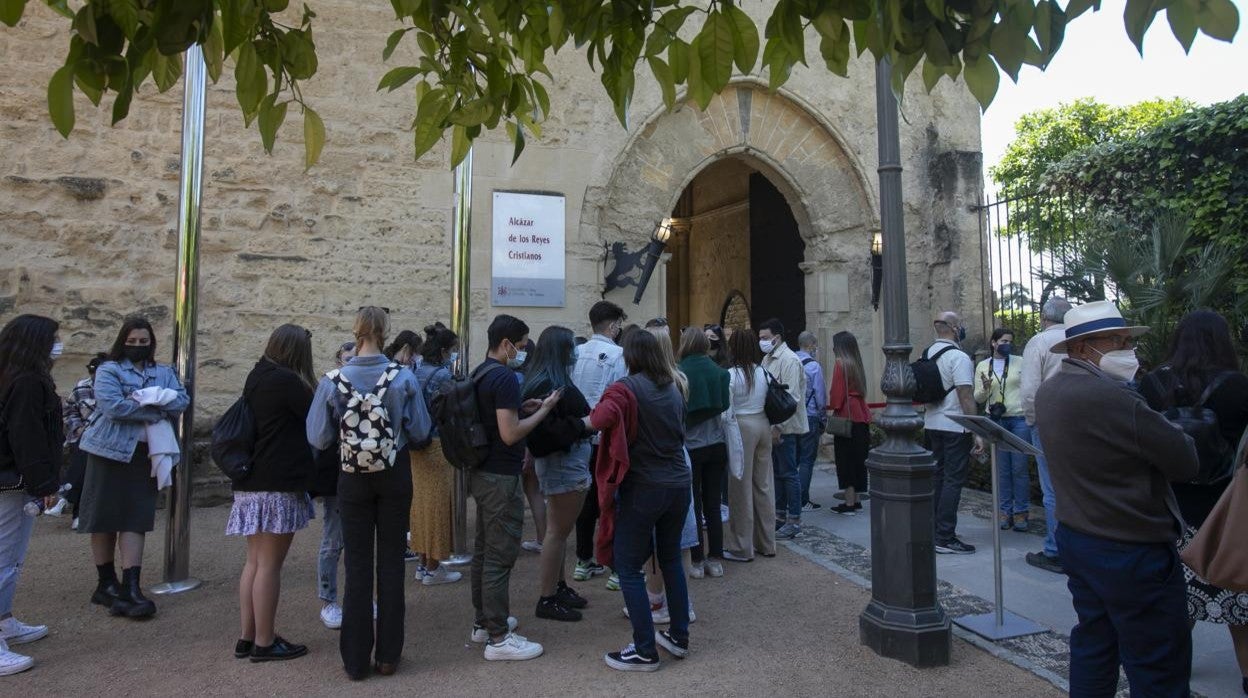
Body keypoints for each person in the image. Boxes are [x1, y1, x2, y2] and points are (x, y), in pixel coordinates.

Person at [1035, 300, 1199, 696]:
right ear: (1079, 348)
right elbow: (1185, 460)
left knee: (1095, 645)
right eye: (1115, 341)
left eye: (1127, 341)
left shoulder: (1050, 391)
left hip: (1079, 535)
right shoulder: (1114, 398)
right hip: (1131, 545)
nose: (1128, 351)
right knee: (1157, 664)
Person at [307, 306, 431, 680]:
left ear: (356, 331)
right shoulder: (403, 377)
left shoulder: (332, 380)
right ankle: (389, 655)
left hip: (352, 476)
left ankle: (356, 660)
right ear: (385, 331)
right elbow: (421, 429)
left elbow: (318, 436)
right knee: (392, 563)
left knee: (357, 565)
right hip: (394, 473)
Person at [1139, 310, 1248, 692]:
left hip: (1170, 509)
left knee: (1176, 601)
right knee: (1237, 598)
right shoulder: (1237, 386)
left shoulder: (1152, 384)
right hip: (1226, 511)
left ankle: (1174, 676)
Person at [588, 329, 691, 671]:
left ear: (631, 356)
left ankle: (645, 649)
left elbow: (597, 420)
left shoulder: (625, 389)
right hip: (678, 482)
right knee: (671, 558)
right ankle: (678, 636)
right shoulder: (674, 386)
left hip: (645, 486)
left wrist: (562, 415)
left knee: (628, 565)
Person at [77, 315, 189, 619]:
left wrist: (141, 403)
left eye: (143, 342)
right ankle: (105, 583)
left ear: (151, 343)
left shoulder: (163, 371)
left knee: (135, 519)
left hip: (144, 454)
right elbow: (112, 407)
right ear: (122, 342)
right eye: (132, 342)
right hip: (108, 451)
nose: (138, 346)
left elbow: (181, 401)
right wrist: (155, 408)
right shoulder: (108, 370)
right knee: (103, 518)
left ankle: (131, 586)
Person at [468, 314, 561, 661]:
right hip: (500, 475)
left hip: (482, 471)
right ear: (506, 344)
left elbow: (496, 419)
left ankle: (483, 622)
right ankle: (498, 637)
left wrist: (522, 407)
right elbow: (510, 433)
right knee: (499, 555)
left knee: (483, 550)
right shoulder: (505, 377)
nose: (523, 352)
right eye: (521, 346)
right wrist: (544, 410)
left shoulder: (481, 372)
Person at [228, 324, 318, 662]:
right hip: (277, 484)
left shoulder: (257, 375)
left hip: (252, 482)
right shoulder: (287, 381)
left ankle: (247, 636)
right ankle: (265, 642)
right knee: (269, 566)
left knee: (254, 562)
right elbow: (317, 417)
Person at [0, 315, 63, 676]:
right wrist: (44, 486)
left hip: (14, 478)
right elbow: (27, 436)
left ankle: (4, 619)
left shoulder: (17, 377)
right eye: (53, 339)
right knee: (4, 558)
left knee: (12, 556)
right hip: (13, 481)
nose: (58, 344)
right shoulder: (25, 382)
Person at [522, 326, 593, 622]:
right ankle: (547, 597)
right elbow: (545, 434)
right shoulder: (547, 382)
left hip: (566, 461)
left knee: (560, 533)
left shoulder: (549, 378)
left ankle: (558, 586)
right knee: (556, 532)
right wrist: (584, 425)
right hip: (562, 463)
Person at [570, 301, 627, 589]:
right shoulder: (619, 355)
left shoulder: (575, 353)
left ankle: (583, 560)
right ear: (613, 325)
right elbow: (622, 395)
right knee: (610, 500)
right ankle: (616, 566)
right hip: (606, 438)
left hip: (580, 435)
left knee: (586, 501)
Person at [921, 311, 982, 555]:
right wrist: (978, 430)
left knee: (937, 477)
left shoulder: (926, 353)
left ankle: (934, 528)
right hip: (955, 425)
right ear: (955, 328)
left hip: (932, 423)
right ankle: (944, 535)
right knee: (952, 481)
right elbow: (965, 395)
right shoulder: (959, 357)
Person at [1019, 296, 1071, 574]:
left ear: (1043, 317)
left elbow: (1029, 389)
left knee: (1051, 488)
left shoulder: (1039, 342)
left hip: (1048, 420)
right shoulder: (1080, 338)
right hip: (1081, 420)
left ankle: (1055, 550)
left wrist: (1032, 420)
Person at [408, 323, 463, 586]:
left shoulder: (416, 371)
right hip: (438, 445)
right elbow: (456, 407)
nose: (454, 354)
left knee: (421, 506)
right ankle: (433, 567)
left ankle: (422, 563)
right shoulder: (442, 376)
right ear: (444, 350)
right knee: (440, 507)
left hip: (416, 446)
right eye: (453, 350)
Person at [677, 327, 730, 579]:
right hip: (717, 443)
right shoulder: (718, 372)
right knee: (713, 502)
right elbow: (725, 404)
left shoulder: (680, 372)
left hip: (692, 446)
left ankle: (697, 559)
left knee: (694, 503)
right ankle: (716, 558)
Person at [311, 341, 354, 629]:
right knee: (334, 538)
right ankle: (329, 599)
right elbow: (318, 436)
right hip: (342, 471)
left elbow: (317, 435)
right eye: (346, 359)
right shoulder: (331, 384)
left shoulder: (332, 383)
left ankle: (355, 597)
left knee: (358, 539)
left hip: (351, 469)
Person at [723, 328, 775, 561]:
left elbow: (727, 412)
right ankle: (767, 542)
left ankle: (742, 546)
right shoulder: (762, 371)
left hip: (742, 426)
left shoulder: (732, 375)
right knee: (763, 486)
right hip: (763, 424)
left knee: (740, 486)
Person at [973, 328, 1032, 532]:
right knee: (1002, 469)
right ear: (993, 343)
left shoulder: (1020, 362)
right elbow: (978, 398)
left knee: (1019, 468)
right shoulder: (983, 365)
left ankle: (1021, 512)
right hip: (996, 420)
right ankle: (1004, 511)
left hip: (1018, 419)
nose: (1007, 344)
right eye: (1003, 340)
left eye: (1010, 340)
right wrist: (986, 388)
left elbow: (1028, 387)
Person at [758, 319, 808, 539]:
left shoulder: (789, 360)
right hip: (772, 426)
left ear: (777, 338)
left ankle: (794, 519)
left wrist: (778, 426)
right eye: (760, 338)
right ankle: (779, 516)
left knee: (788, 473)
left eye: (765, 338)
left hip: (785, 427)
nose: (762, 342)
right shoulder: (767, 359)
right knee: (777, 473)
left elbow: (791, 398)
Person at [61, 353, 108, 529]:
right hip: (82, 436)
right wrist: (77, 427)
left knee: (86, 464)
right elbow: (69, 411)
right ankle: (78, 512)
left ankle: (67, 494)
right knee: (83, 459)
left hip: (106, 439)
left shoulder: (117, 387)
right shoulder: (81, 387)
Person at [827, 331, 871, 516]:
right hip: (861, 415)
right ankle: (857, 499)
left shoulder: (840, 364)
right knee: (858, 460)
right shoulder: (856, 364)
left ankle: (850, 502)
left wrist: (832, 406)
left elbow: (837, 396)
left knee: (845, 461)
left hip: (846, 416)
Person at [794, 331, 826, 511]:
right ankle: (802, 499)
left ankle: (790, 497)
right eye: (814, 345)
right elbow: (820, 396)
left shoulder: (790, 361)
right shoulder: (814, 367)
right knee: (807, 460)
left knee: (794, 459)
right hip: (810, 416)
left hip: (792, 416)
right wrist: (823, 418)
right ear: (811, 345)